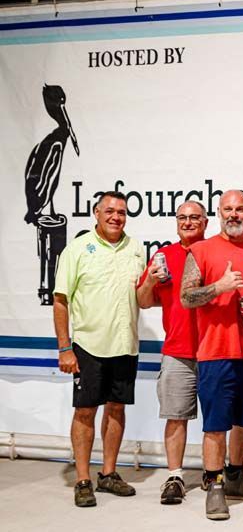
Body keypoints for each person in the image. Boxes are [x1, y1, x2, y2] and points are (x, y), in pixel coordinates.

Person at [180, 189, 243, 520]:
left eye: (240, 209)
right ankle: (215, 486)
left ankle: (235, 476)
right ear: (219, 212)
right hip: (216, 353)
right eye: (228, 209)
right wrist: (219, 287)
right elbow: (186, 298)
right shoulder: (201, 250)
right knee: (216, 425)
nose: (234, 214)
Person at [53, 191, 145, 507]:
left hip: (125, 345)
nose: (116, 217)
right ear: (96, 213)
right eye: (109, 211)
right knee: (85, 411)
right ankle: (82, 479)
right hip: (87, 347)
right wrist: (65, 348)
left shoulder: (136, 249)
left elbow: (143, 295)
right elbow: (61, 300)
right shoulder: (77, 249)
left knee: (116, 408)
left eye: (121, 212)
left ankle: (107, 474)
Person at [136, 200, 208, 504]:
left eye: (195, 217)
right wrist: (151, 279)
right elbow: (143, 301)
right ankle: (175, 476)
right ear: (176, 221)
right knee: (175, 417)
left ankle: (213, 472)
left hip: (214, 350)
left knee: (216, 420)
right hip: (177, 351)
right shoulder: (164, 256)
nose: (188, 222)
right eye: (183, 217)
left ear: (205, 222)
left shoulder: (214, 251)